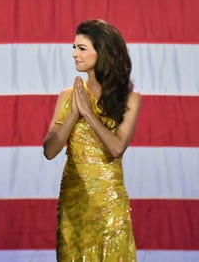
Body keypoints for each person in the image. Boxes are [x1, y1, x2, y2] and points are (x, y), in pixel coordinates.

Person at [43, 19, 141, 261]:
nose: (75, 54)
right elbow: (49, 150)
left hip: (110, 208)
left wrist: (88, 113)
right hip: (73, 207)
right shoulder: (68, 96)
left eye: (82, 48)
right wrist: (74, 115)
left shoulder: (130, 98)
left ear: (102, 51)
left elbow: (117, 147)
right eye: (74, 48)